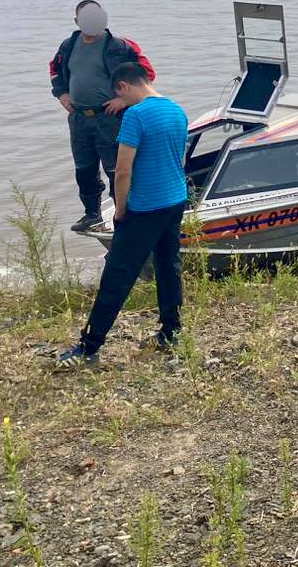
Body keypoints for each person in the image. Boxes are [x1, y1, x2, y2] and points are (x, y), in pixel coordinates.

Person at [57, 63, 189, 368]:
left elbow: (123, 169)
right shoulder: (176, 111)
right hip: (175, 201)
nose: (121, 104)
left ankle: (89, 347)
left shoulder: (136, 115)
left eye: (120, 97)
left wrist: (120, 209)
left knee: (117, 275)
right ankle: (171, 331)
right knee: (168, 266)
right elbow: (175, 158)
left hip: (146, 207)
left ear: (123, 88)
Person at [49, 0, 157, 231]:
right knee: (84, 168)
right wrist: (62, 94)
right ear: (77, 21)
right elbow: (55, 72)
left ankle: (124, 215)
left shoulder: (121, 47)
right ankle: (92, 215)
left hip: (110, 118)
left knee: (116, 168)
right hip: (79, 118)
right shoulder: (68, 46)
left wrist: (123, 100)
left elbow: (146, 74)